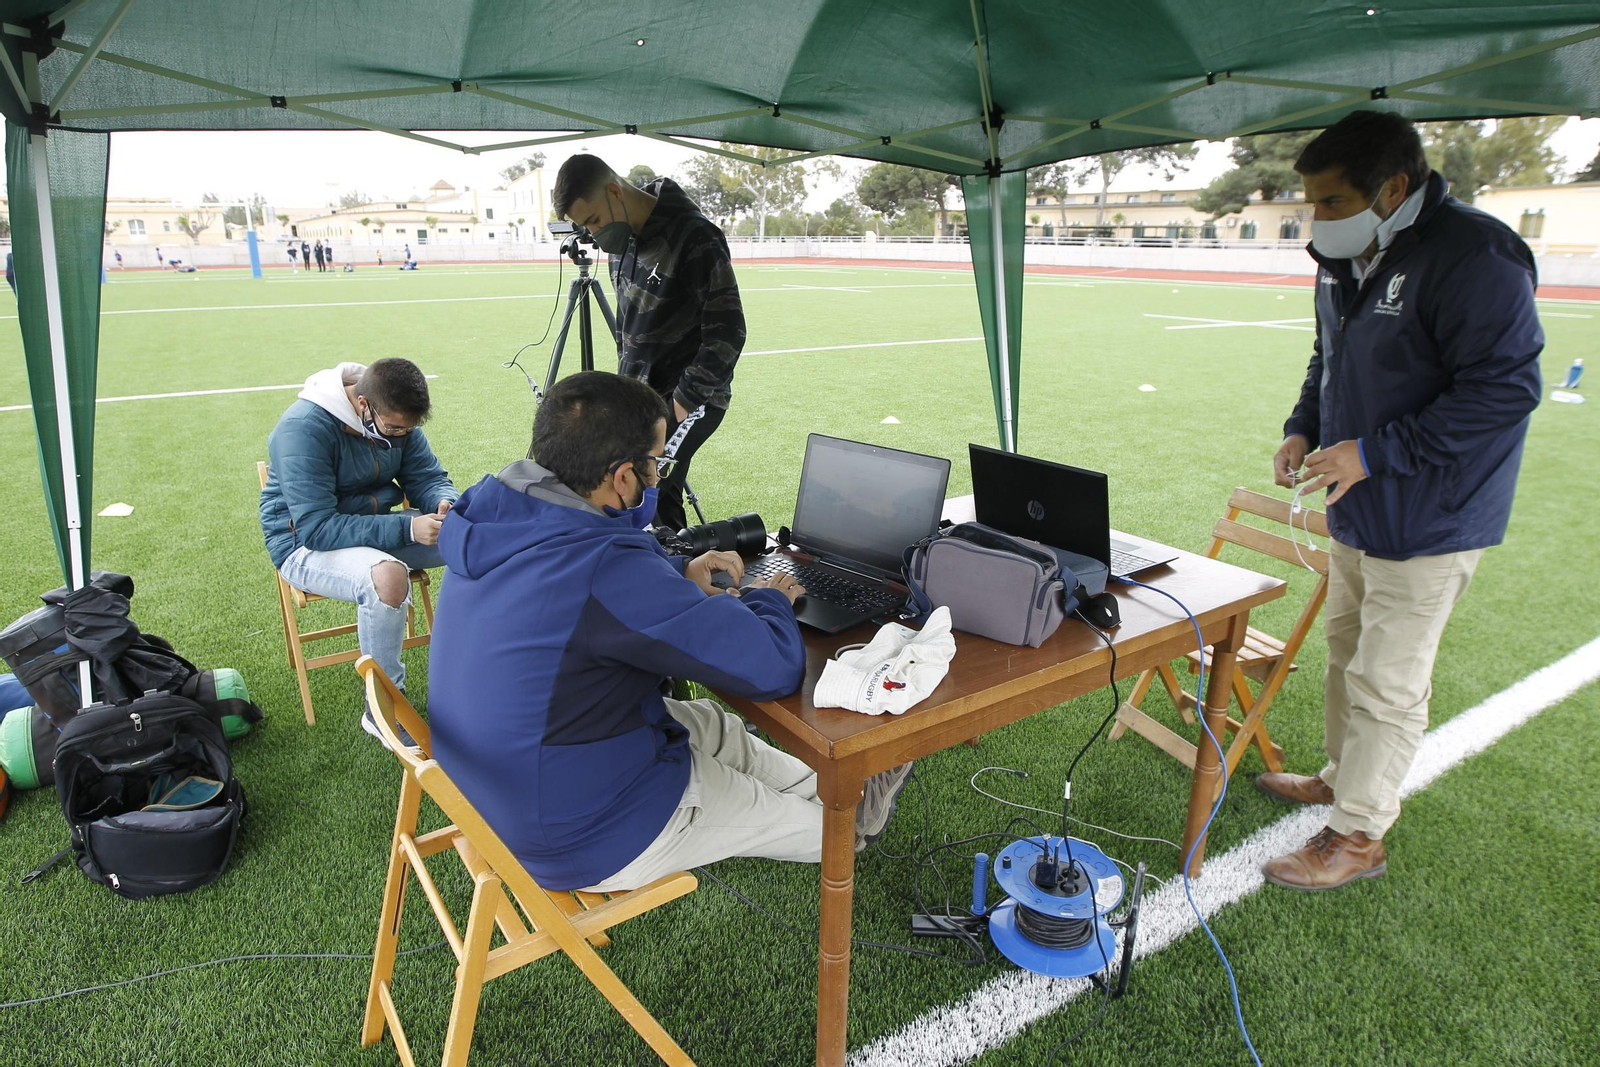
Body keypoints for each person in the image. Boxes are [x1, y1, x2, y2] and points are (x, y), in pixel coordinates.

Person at [426, 370, 913, 893]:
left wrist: (675, 577)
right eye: (656, 462)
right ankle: (852, 817)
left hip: (499, 785)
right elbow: (770, 667)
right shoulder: (607, 570)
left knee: (709, 723)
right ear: (622, 478)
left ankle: (832, 789)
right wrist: (768, 596)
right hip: (577, 830)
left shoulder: (495, 511)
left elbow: (578, 593)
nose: (658, 475)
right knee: (831, 831)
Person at [1260, 111, 1543, 891]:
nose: (1318, 219)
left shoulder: (1476, 256)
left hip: (1433, 516)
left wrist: (1377, 451)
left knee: (1388, 679)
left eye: (1333, 202)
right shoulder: (1340, 257)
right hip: (1357, 505)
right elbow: (1330, 357)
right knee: (1347, 657)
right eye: (1310, 202)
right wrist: (1302, 427)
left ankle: (1358, 834)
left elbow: (1508, 389)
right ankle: (1341, 775)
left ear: (1393, 188)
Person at [259, 358, 458, 739]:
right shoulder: (301, 429)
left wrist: (443, 502)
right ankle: (383, 708)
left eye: (409, 429)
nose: (402, 435)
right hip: (301, 544)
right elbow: (317, 529)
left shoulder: (394, 412)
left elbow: (427, 476)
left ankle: (480, 664)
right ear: (363, 405)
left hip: (371, 530)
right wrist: (409, 527)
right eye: (396, 429)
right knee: (387, 575)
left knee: (472, 536)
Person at [553, 155, 746, 533]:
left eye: (593, 220)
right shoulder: (620, 241)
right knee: (647, 493)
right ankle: (680, 571)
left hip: (689, 399)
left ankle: (675, 576)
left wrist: (679, 405)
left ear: (614, 191)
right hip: (641, 399)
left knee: (644, 490)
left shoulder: (694, 236)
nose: (592, 232)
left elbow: (729, 331)